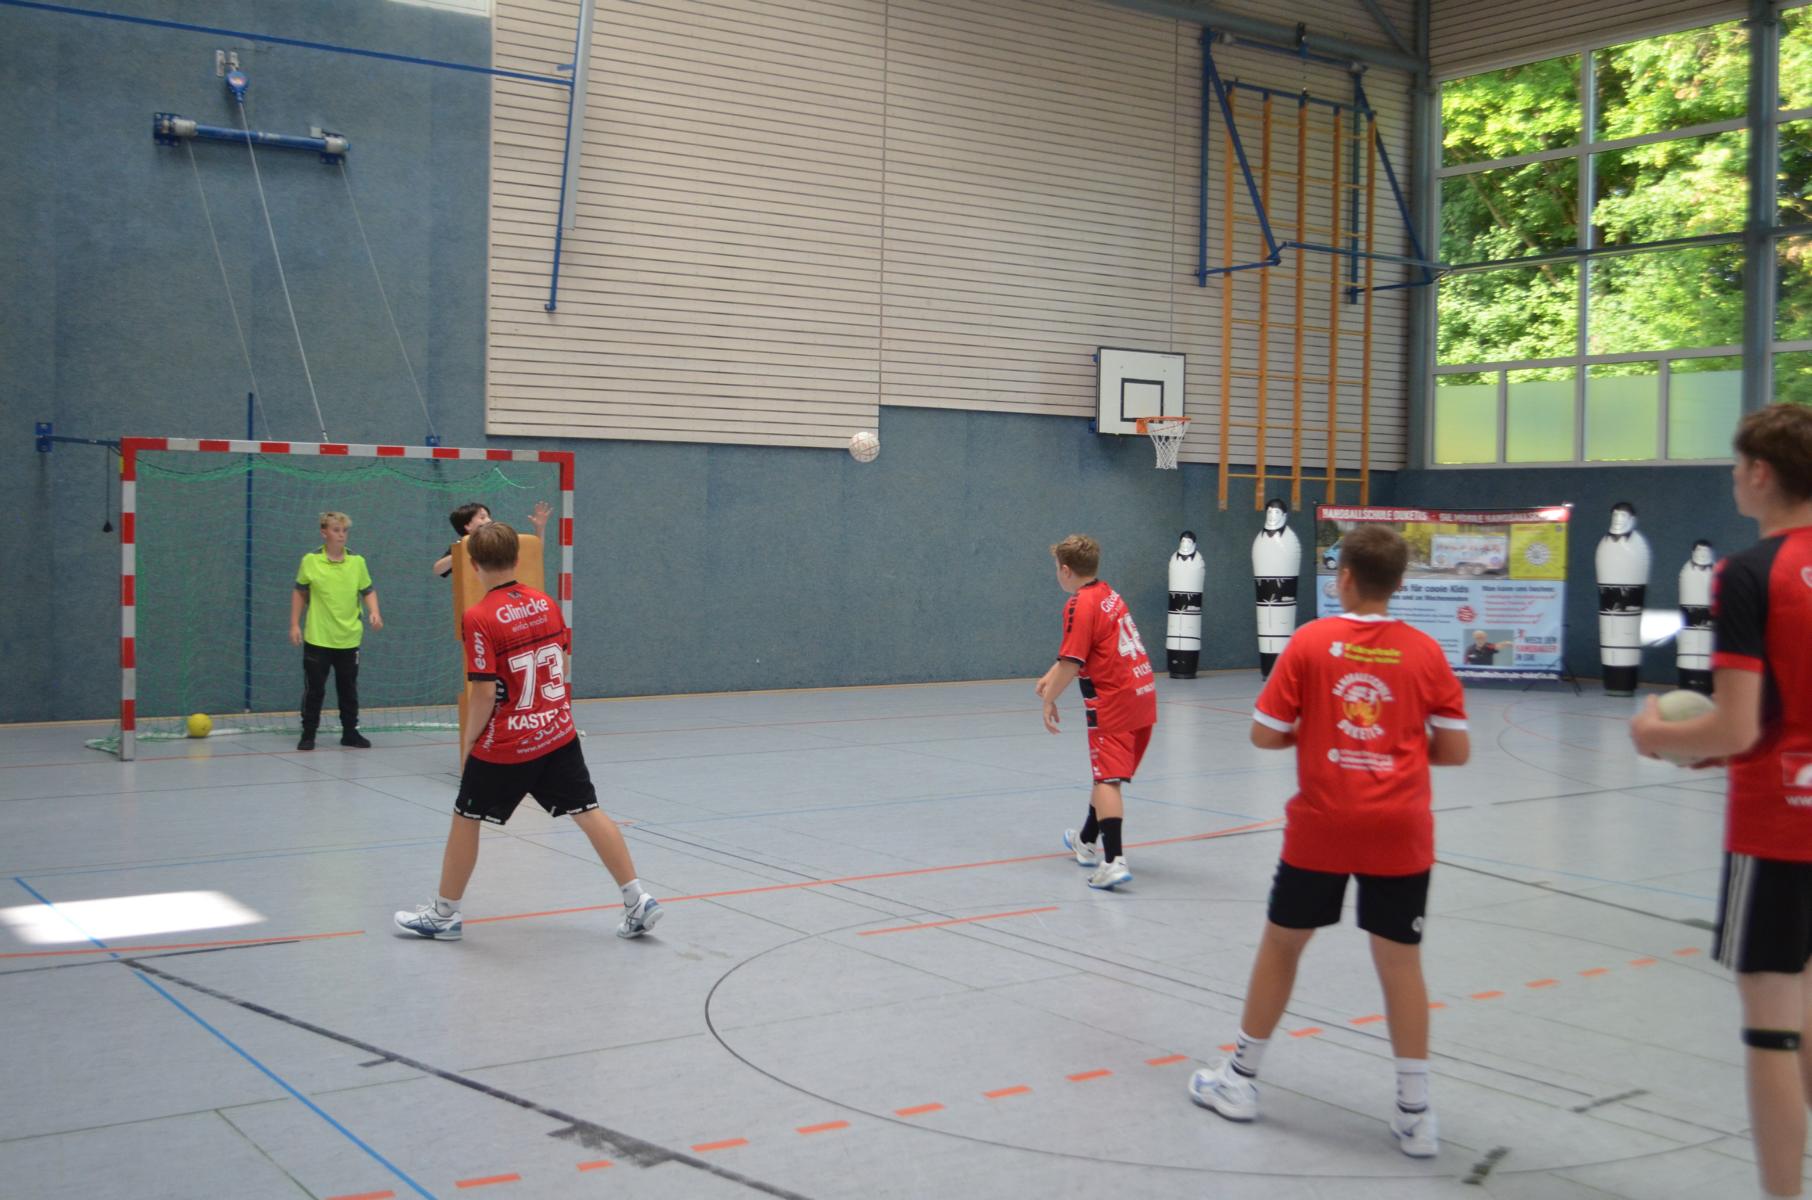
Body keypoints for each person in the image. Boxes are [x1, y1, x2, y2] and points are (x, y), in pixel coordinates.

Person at [1189, 524, 1469, 1160]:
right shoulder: (1426, 652)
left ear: (1343, 578)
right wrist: (1395, 748)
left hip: (1322, 827)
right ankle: (1415, 1114)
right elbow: (1455, 750)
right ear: (1399, 583)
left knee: (1282, 946)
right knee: (1400, 963)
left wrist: (1318, 733)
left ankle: (1239, 1079)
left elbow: (1264, 734)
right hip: (1400, 831)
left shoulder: (1311, 642)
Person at [1630, 402, 1812, 1199]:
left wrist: (1657, 734)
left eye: (1737, 465)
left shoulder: (1747, 574)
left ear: (1760, 473)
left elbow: (1737, 726)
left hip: (1779, 827)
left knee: (1773, 1028)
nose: (1734, 477)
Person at [395, 522, 663, 942]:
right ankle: (637, 899)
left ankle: (444, 914)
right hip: (558, 732)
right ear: (517, 559)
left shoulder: (478, 616)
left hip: (508, 743)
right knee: (588, 810)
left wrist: (469, 741)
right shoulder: (545, 602)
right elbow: (563, 662)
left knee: (465, 818)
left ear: (473, 564)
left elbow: (484, 692)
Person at [1035, 534, 1158, 891]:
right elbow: (1083, 650)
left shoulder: (1079, 603)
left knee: (1107, 779)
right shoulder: (1108, 594)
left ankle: (1114, 861)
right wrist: (1052, 675)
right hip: (1142, 695)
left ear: (1065, 570)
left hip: (1114, 702)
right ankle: (1087, 841)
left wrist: (1049, 699)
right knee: (1107, 771)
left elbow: (1072, 663)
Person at [289, 511, 381, 752]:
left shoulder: (357, 562)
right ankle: (308, 733)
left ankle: (350, 733)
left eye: (344, 531)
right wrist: (294, 624)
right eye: (336, 530)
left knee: (348, 688)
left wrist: (374, 611)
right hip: (318, 638)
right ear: (324, 533)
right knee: (315, 689)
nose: (341, 535)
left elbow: (368, 590)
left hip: (348, 638)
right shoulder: (310, 561)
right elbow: (300, 591)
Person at [433, 500, 552, 578]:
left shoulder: (499, 540)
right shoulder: (461, 546)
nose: (489, 520)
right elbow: (438, 569)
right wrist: (463, 551)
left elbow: (535, 554)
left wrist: (540, 528)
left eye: (488, 517)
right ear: (467, 526)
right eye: (482, 517)